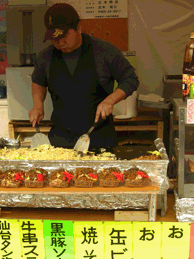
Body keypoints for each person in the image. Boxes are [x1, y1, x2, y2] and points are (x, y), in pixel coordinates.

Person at [29, 3, 139, 150]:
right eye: (55, 38)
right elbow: (38, 81)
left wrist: (110, 100)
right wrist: (38, 105)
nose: (60, 42)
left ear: (79, 28)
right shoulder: (45, 57)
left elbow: (130, 78)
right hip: (61, 139)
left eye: (64, 35)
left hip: (99, 137)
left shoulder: (104, 51)